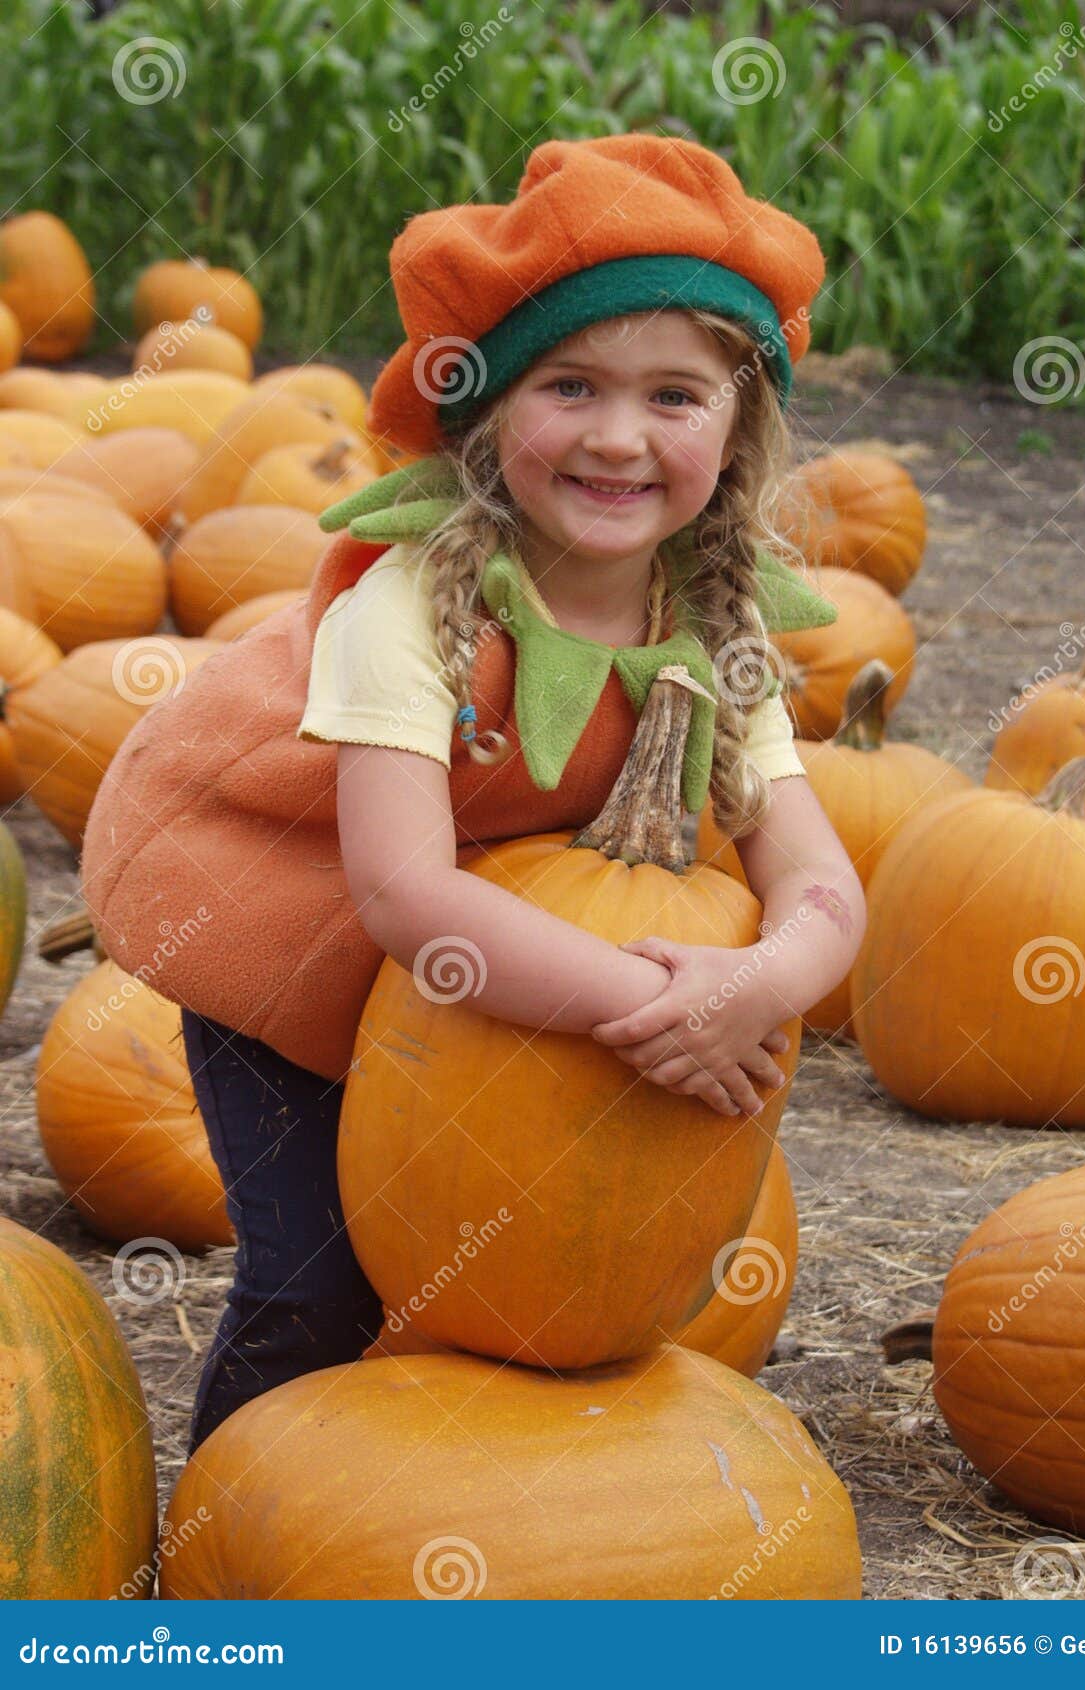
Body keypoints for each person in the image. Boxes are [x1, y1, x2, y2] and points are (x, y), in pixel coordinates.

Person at [80, 133, 866, 1455]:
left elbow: (823, 880)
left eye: (677, 394)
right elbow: (405, 892)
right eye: (571, 384)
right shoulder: (410, 600)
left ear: (739, 431)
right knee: (321, 1281)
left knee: (503, 1288)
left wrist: (757, 986)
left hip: (513, 956)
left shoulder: (713, 624)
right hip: (293, 937)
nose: (619, 436)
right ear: (488, 406)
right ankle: (232, 1564)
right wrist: (650, 1005)